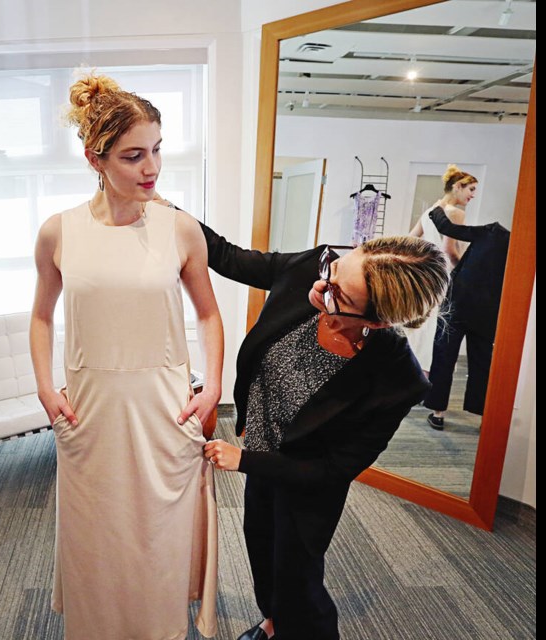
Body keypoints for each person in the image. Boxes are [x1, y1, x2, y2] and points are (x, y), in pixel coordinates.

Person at [29, 71, 223, 640]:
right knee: (97, 539)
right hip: (90, 411)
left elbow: (209, 314)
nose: (152, 168)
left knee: (157, 539)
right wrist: (45, 388)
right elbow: (41, 316)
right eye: (133, 155)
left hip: (164, 410)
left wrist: (212, 386)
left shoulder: (181, 229)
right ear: (96, 158)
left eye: (158, 150)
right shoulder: (57, 232)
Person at [194, 226, 450, 640]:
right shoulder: (309, 270)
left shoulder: (397, 381)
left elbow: (333, 469)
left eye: (338, 296)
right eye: (333, 271)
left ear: (379, 321)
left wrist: (245, 461)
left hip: (305, 487)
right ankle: (272, 623)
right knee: (260, 549)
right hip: (260, 459)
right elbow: (227, 256)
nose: (319, 289)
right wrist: (156, 199)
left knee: (298, 580)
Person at [423, 206, 511, 430]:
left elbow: (446, 227)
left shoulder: (489, 232)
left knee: (444, 357)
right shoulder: (517, 244)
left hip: (458, 304)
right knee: (482, 363)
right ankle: (483, 417)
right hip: (488, 312)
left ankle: (438, 413)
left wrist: (437, 208)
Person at [404, 164, 478, 375]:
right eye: (471, 189)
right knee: (435, 326)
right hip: (445, 275)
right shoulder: (455, 213)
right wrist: (466, 273)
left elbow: (409, 239)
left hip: (428, 274)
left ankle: (413, 371)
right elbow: (450, 251)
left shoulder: (430, 211)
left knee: (424, 323)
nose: (472, 195)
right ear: (457, 187)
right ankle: (425, 377)